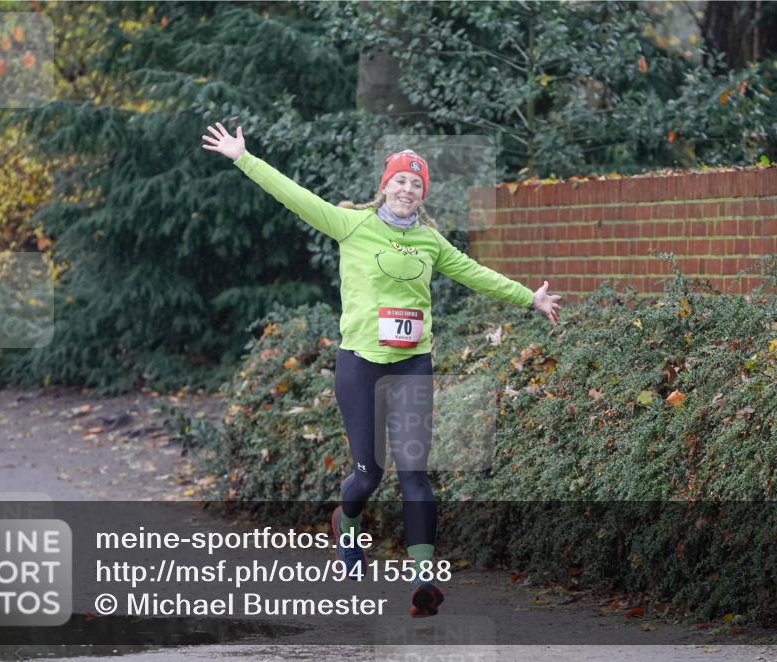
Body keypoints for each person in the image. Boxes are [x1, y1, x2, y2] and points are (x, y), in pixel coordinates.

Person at [201, 123, 561, 617]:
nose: (408, 188)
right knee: (368, 474)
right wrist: (244, 157)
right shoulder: (351, 224)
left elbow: (475, 273)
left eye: (417, 183)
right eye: (400, 180)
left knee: (415, 473)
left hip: (413, 364)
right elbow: (294, 195)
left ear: (423, 194)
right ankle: (346, 524)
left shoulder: (432, 242)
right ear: (384, 185)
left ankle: (423, 580)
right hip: (360, 365)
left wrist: (530, 297)